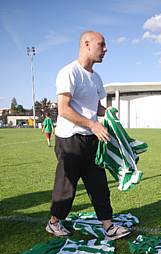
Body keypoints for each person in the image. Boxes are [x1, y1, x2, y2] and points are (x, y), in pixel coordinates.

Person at [46, 31, 131, 240]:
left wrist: (108, 114)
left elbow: (96, 106)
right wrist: (93, 124)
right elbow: (64, 109)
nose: (105, 49)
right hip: (69, 139)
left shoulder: (96, 77)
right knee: (67, 186)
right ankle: (54, 222)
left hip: (91, 139)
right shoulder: (69, 72)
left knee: (98, 184)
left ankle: (109, 226)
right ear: (86, 44)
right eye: (101, 45)